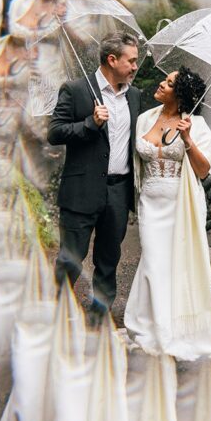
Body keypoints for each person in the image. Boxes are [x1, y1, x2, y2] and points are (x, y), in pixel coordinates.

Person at [124, 66, 211, 361]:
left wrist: (188, 140)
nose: (161, 84)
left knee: (177, 263)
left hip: (181, 204)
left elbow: (203, 170)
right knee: (153, 261)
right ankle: (149, 324)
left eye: (168, 83)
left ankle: (171, 330)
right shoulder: (146, 118)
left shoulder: (197, 125)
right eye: (164, 80)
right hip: (149, 202)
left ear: (180, 95)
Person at [47, 31, 141, 318]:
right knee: (71, 259)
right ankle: (58, 314)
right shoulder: (75, 90)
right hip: (81, 190)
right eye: (131, 61)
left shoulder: (135, 96)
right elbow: (55, 132)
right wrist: (90, 123)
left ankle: (99, 317)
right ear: (112, 60)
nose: (135, 66)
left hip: (118, 190)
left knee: (109, 260)